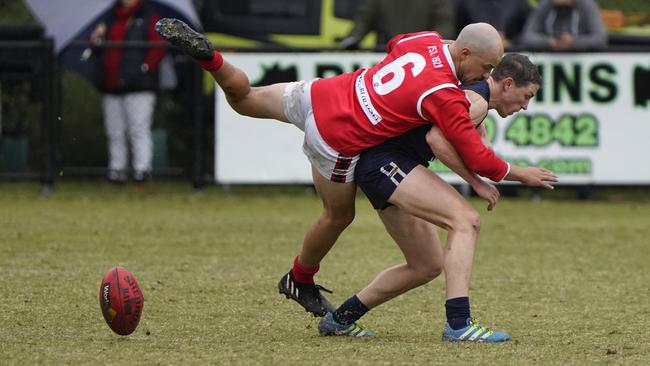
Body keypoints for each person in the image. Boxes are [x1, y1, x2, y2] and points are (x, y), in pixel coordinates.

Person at [155, 18, 555, 322]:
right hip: (337, 136)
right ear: (466, 55)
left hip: (327, 93)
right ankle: (300, 277)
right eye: (484, 69)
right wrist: (519, 173)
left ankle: (212, 59)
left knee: (243, 98)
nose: (485, 78)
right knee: (338, 215)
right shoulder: (445, 94)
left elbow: (395, 45)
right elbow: (476, 156)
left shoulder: (424, 41)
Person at [318, 54, 554, 341]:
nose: (526, 106)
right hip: (386, 163)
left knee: (425, 265)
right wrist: (504, 176)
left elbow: (469, 133)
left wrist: (482, 167)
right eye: (526, 96)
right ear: (507, 84)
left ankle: (341, 319)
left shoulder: (475, 95)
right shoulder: (476, 100)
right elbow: (437, 140)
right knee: (466, 221)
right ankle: (459, 324)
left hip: (384, 164)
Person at [89, 0, 166, 183]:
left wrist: (145, 68)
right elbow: (96, 50)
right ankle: (117, 171)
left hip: (139, 85)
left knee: (138, 129)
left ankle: (142, 172)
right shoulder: (109, 17)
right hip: (111, 83)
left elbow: (159, 47)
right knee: (115, 131)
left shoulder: (149, 16)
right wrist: (97, 39)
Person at [339, 0, 454, 50]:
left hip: (387, 54)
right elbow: (444, 26)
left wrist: (353, 38)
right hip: (421, 55)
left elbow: (364, 19)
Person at [519, 0, 608, 51]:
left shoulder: (587, 5)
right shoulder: (544, 5)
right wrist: (549, 42)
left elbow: (600, 39)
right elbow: (527, 37)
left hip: (582, 60)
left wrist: (574, 42)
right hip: (550, 60)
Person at [453, 0, 532, 47]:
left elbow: (527, 32)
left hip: (512, 55)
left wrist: (511, 43)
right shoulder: (465, 2)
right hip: (475, 53)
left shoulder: (519, 3)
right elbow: (459, 31)